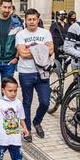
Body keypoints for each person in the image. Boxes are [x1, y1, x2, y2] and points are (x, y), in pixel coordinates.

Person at [16, 9, 54, 142]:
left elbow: (50, 51)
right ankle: (27, 130)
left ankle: (37, 121)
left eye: (34, 19)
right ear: (25, 20)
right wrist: (40, 49)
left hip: (42, 72)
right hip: (25, 72)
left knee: (45, 102)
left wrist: (31, 49)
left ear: (38, 20)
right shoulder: (20, 34)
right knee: (27, 102)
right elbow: (22, 54)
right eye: (29, 19)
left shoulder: (46, 33)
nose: (32, 22)